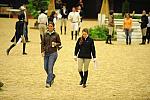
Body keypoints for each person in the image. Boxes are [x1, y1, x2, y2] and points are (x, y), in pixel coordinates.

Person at [41, 22, 61, 88]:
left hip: (53, 53)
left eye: (51, 26)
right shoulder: (45, 34)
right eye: (49, 26)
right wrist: (42, 51)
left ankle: (48, 82)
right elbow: (42, 43)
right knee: (45, 67)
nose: (50, 27)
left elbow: (59, 43)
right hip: (46, 53)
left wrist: (56, 44)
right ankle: (52, 76)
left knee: (50, 67)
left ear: (53, 27)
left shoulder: (56, 35)